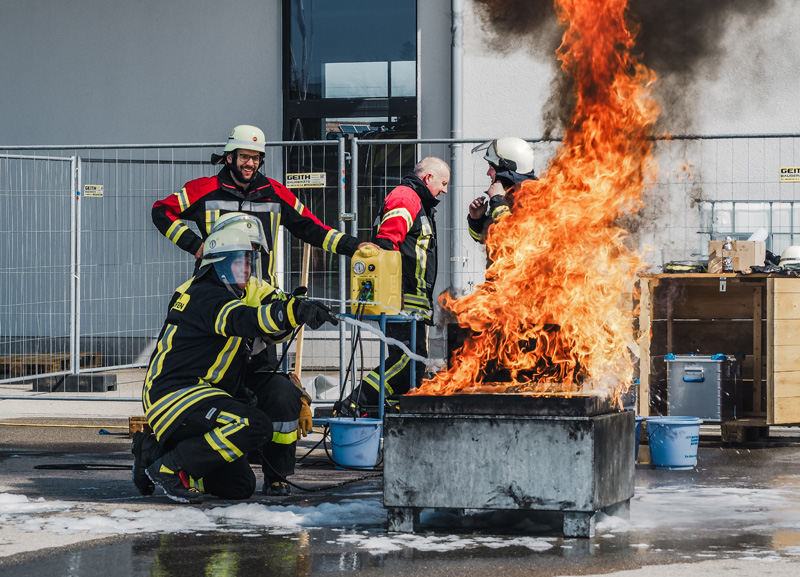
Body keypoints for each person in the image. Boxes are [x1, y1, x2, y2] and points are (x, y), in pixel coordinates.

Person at [131, 227, 337, 503]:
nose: (247, 269)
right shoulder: (206, 295)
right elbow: (246, 320)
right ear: (220, 265)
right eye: (240, 261)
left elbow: (263, 321)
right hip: (174, 394)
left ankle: (154, 453)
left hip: (200, 393)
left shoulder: (226, 294)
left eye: (250, 261)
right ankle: (171, 468)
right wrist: (294, 311)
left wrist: (296, 310)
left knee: (239, 487)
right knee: (254, 425)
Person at [152, 124, 373, 285]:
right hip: (213, 292)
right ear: (229, 158)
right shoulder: (203, 189)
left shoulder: (276, 193)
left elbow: (312, 228)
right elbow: (161, 211)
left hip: (262, 295)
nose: (250, 163)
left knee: (262, 351)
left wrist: (353, 246)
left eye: (256, 158)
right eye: (245, 157)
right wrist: (195, 245)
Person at [336, 157, 449, 415]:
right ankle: (357, 401)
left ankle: (390, 413)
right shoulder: (406, 198)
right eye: (442, 183)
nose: (444, 190)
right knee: (407, 362)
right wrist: (392, 296)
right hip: (402, 301)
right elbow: (386, 245)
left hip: (410, 302)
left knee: (411, 365)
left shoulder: (416, 201)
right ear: (428, 177)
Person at [467, 137, 537, 244]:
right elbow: (487, 239)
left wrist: (498, 202)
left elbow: (515, 239)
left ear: (505, 168)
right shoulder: (507, 196)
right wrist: (477, 220)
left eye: (491, 167)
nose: (488, 173)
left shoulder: (535, 197)